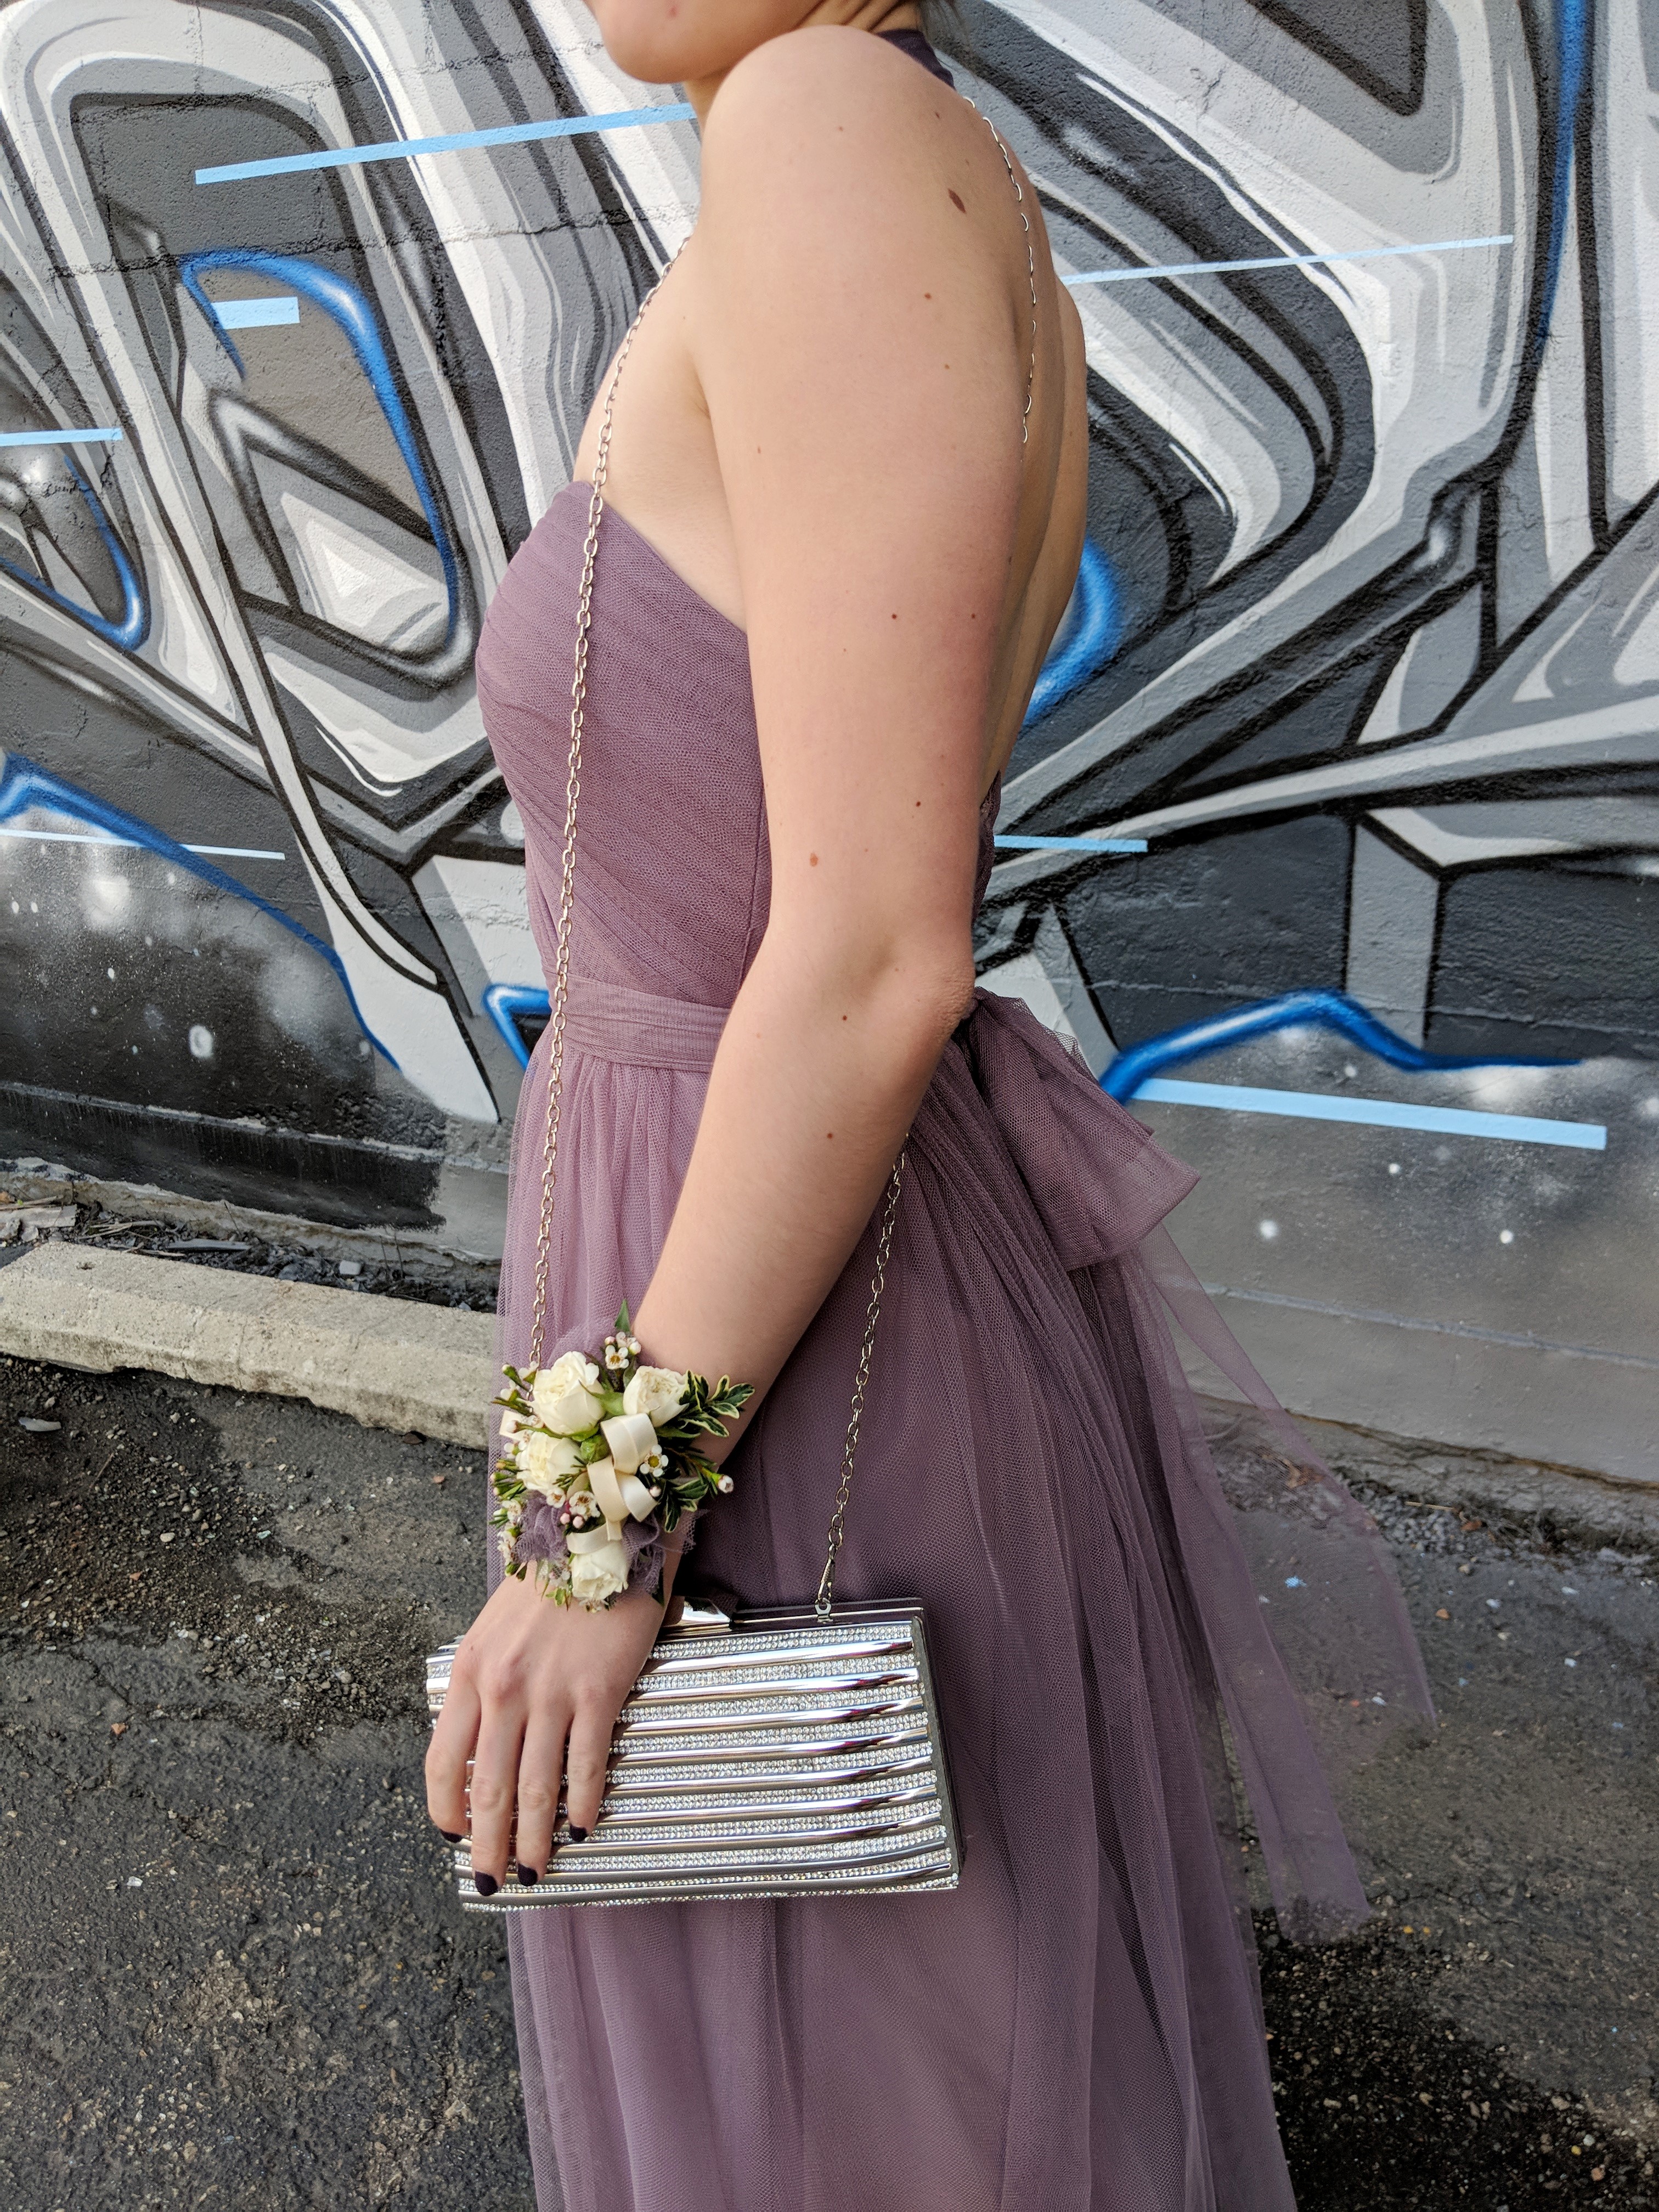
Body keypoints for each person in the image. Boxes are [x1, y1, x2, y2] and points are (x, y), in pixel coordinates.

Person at [426, 4, 1430, 2205]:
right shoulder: (828, 153)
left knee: (880, 2102)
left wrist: (602, 1529)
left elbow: (876, 950)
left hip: (797, 1325)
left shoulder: (829, 125)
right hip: (744, 1263)